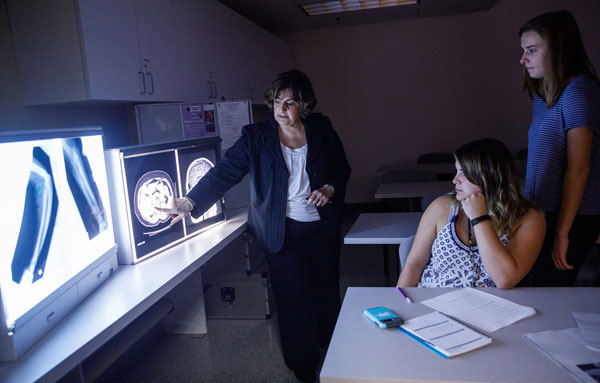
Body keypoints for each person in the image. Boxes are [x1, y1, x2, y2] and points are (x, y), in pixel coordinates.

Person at [158, 69, 351, 382]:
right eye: (277, 102)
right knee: (292, 297)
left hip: (321, 227)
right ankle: (302, 363)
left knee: (326, 289)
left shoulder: (322, 128)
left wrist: (329, 188)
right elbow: (224, 172)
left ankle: (331, 344)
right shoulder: (256, 136)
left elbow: (341, 168)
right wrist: (190, 202)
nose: (281, 109)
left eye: (289, 103)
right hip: (280, 230)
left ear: (304, 105)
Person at [519, 10, 600, 286]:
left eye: (531, 50)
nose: (523, 59)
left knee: (548, 292)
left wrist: (562, 233)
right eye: (523, 50)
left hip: (571, 217)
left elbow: (579, 168)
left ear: (558, 50)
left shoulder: (579, 91)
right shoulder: (544, 97)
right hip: (544, 214)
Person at [397, 138, 546, 289]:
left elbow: (504, 279)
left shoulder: (529, 217)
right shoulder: (441, 207)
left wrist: (479, 218)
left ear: (487, 176)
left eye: (463, 173)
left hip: (492, 308)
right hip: (434, 303)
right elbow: (414, 264)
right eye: (456, 171)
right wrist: (400, 301)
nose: (455, 180)